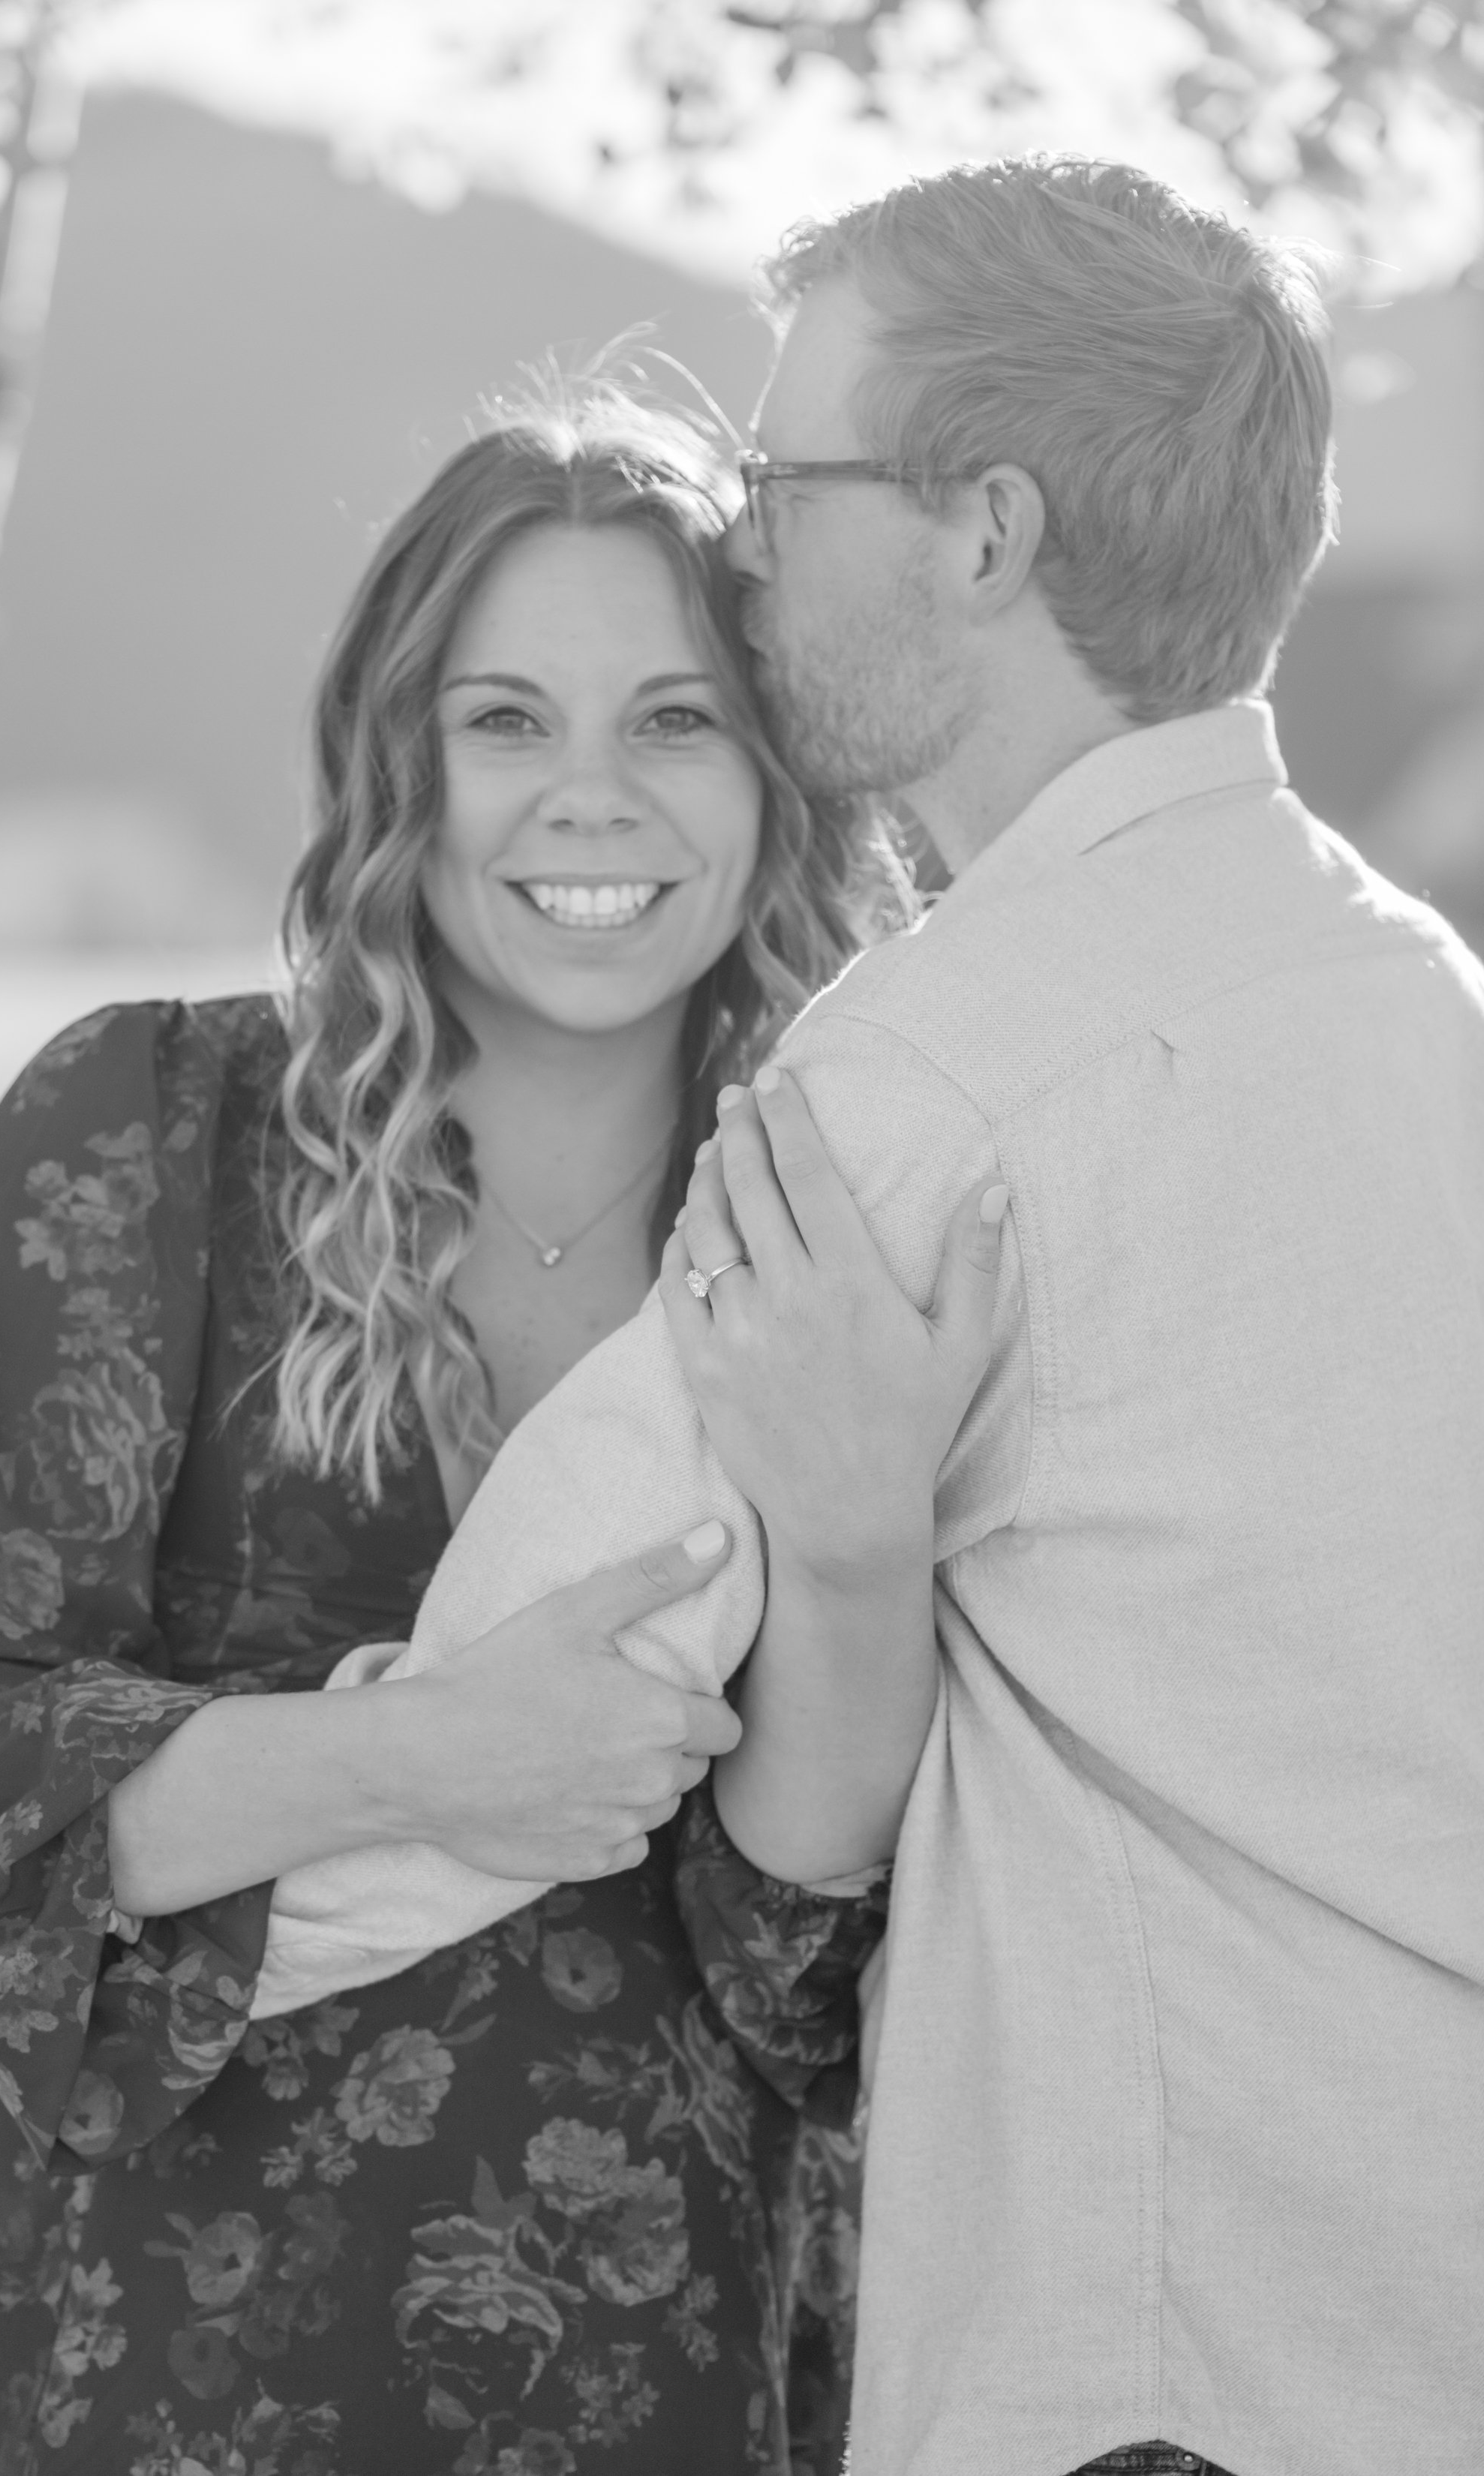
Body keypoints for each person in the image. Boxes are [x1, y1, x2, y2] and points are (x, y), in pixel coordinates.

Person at [292, 159, 1484, 2476]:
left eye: (788, 482)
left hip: (1157, 2373)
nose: (743, 549)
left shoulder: (929, 1086)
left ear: (988, 532)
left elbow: (535, 1680)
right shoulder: (1427, 1007)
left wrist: (111, 1898)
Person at [0, 389, 1002, 2476]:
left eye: (675, 719)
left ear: (779, 772)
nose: (590, 796)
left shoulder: (851, 1223)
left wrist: (855, 1549)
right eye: (505, 721)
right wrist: (428, 1753)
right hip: (136, 2363)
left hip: (671, 2363)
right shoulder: (150, 1125)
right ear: (402, 761)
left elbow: (803, 1966)